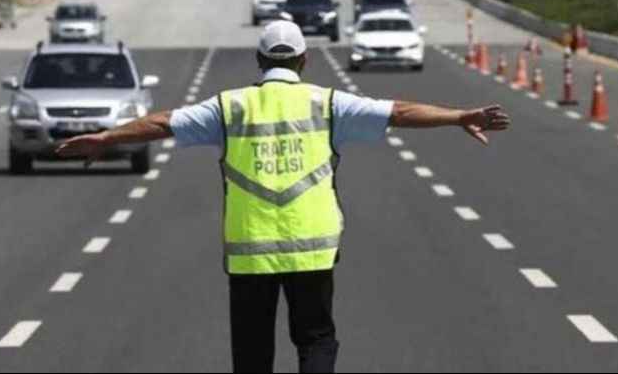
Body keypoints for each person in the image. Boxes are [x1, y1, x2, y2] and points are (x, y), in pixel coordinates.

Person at [57, 21, 511, 373]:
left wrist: (107, 138)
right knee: (316, 340)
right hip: (312, 248)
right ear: (304, 60)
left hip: (250, 253)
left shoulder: (229, 107)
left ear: (258, 60)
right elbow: (398, 111)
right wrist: (458, 116)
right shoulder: (328, 103)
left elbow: (162, 122)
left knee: (253, 352)